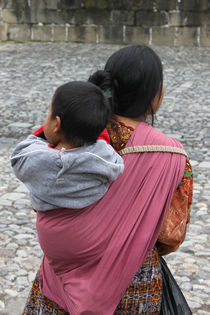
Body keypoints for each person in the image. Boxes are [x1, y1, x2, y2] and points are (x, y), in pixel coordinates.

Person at [23, 45, 193, 315]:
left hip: (63, 278)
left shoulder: (74, 133)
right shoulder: (173, 156)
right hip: (134, 284)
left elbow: (45, 190)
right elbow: (171, 235)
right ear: (154, 97)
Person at [10, 81, 124, 211]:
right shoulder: (107, 160)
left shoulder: (37, 159)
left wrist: (49, 132)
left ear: (57, 124)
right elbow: (103, 141)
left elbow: (20, 152)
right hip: (87, 226)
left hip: (49, 226)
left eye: (49, 114)